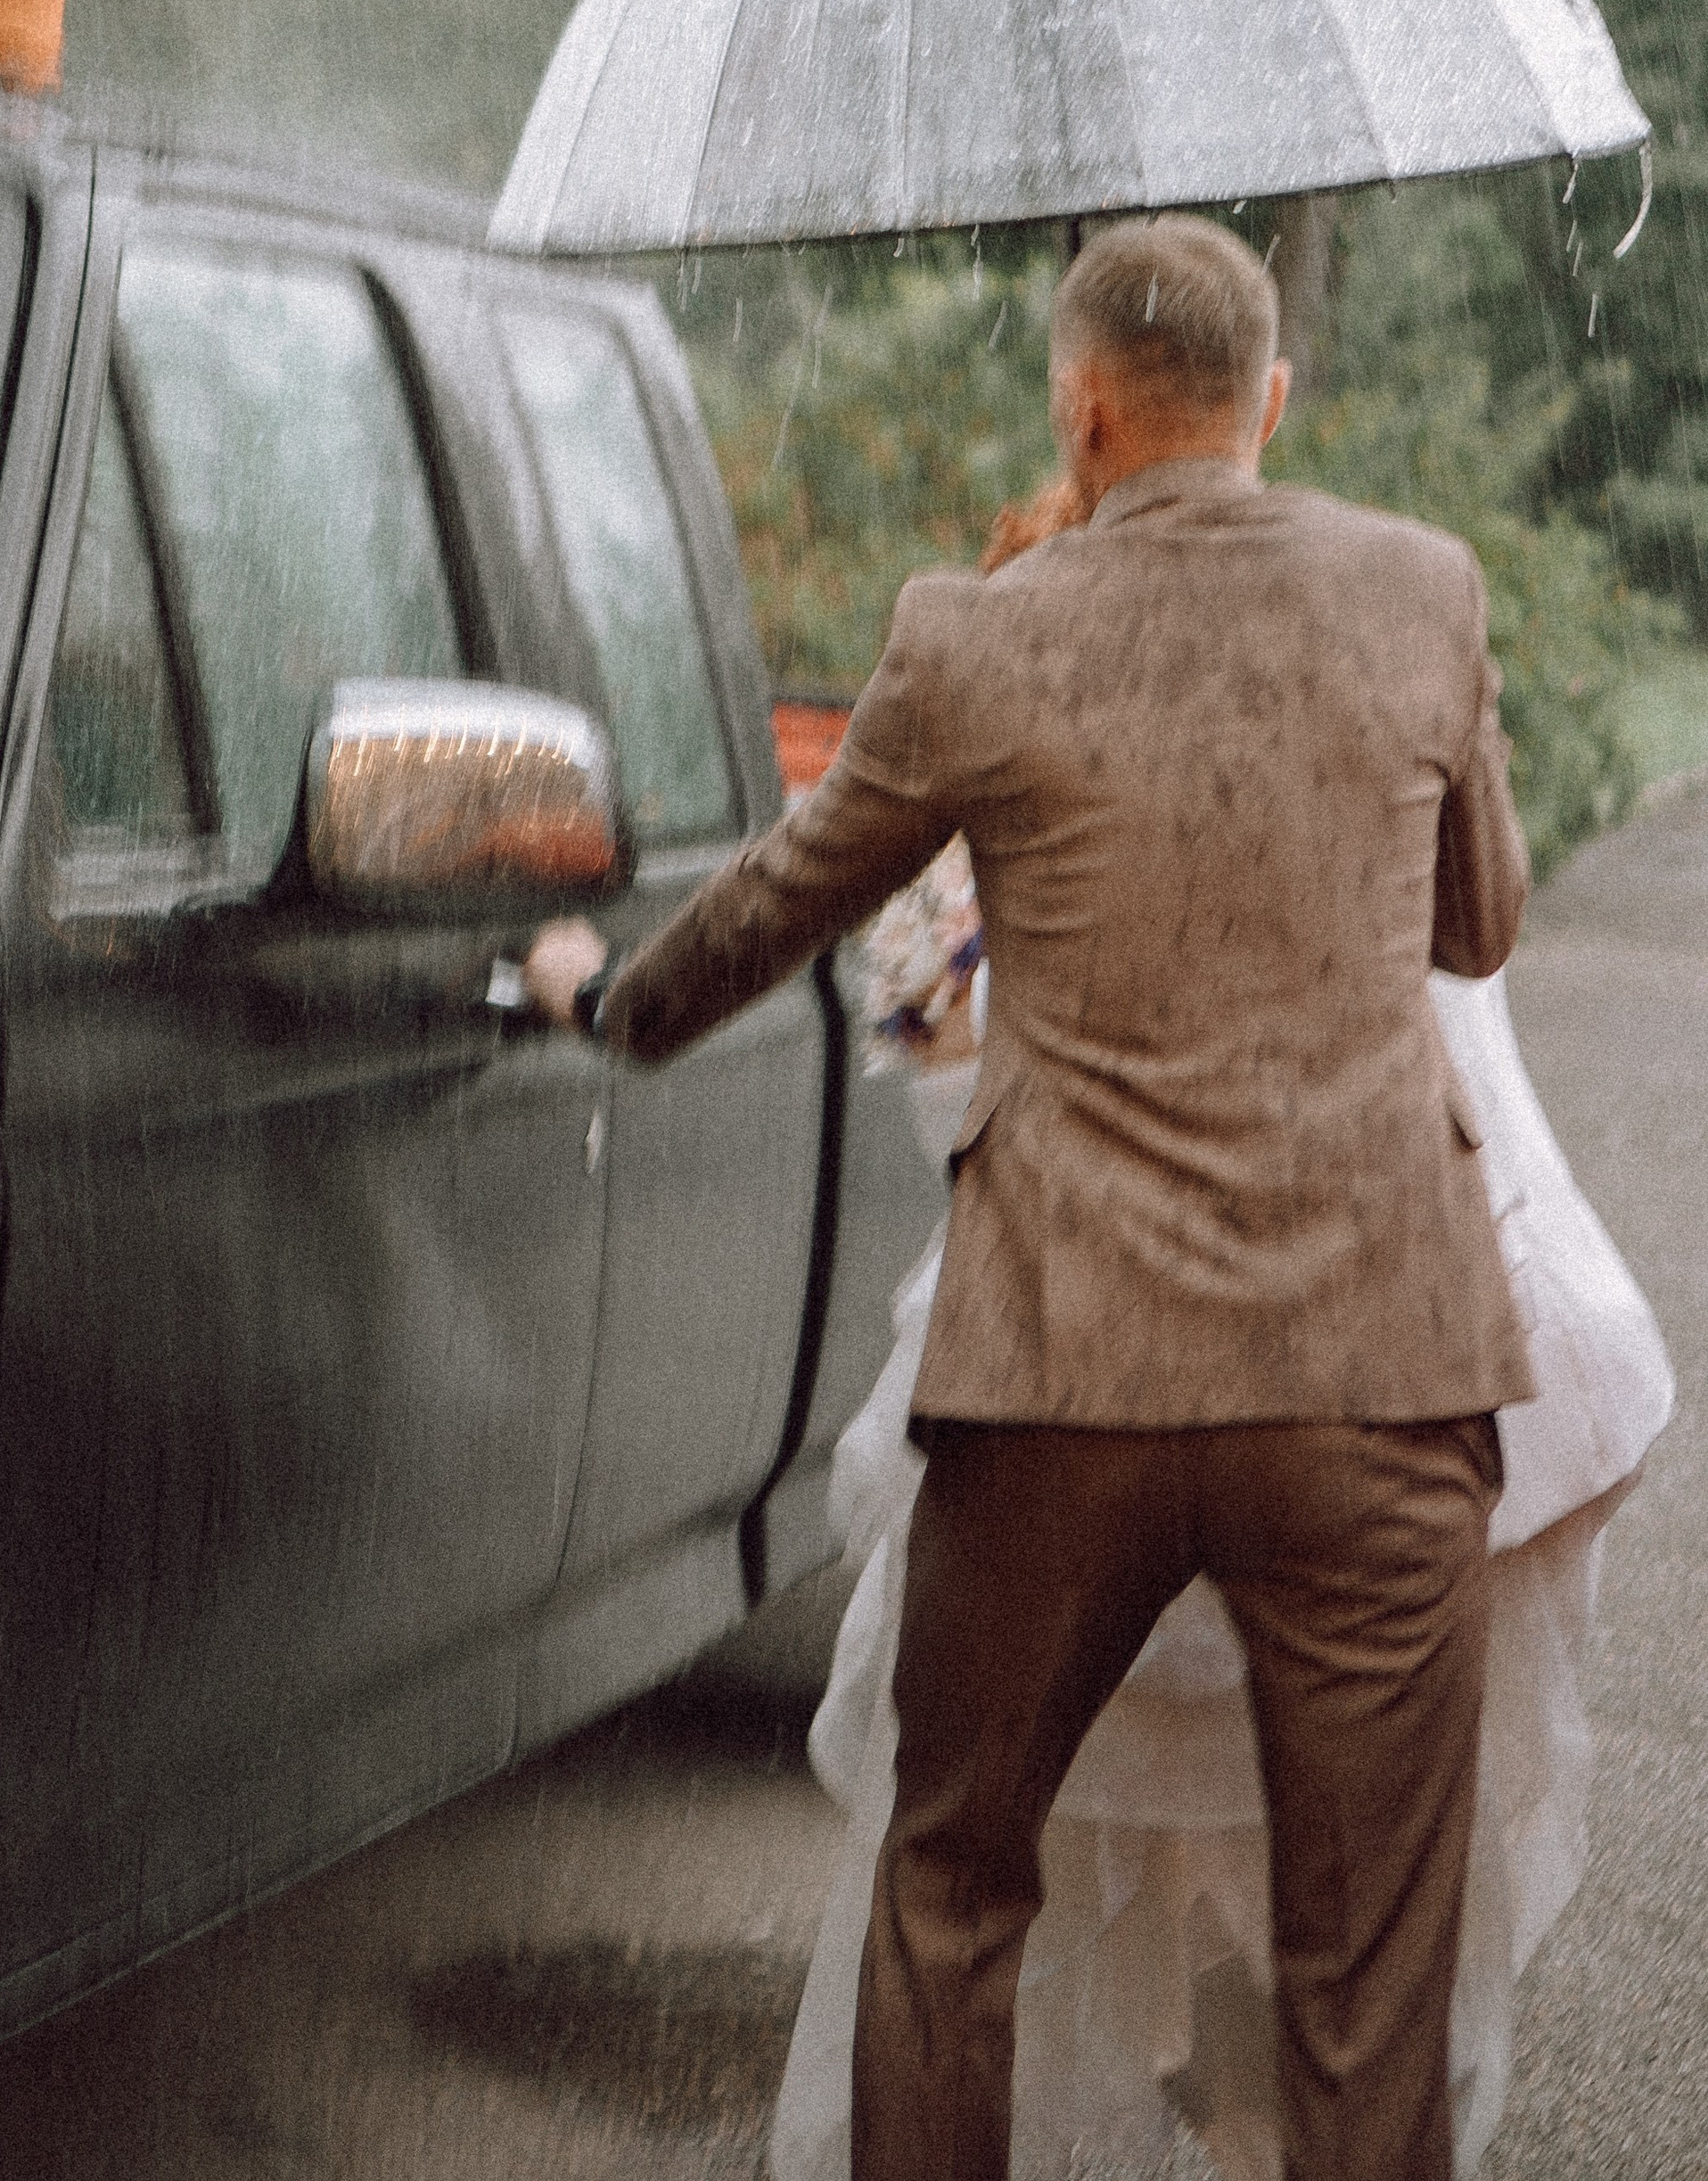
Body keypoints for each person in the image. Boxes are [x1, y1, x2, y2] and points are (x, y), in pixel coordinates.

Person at [525, 211, 1532, 2181]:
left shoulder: (976, 632)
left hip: (1062, 1377)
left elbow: (777, 905)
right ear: (1267, 401)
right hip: (1370, 1374)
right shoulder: (1420, 589)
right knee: (1354, 1977)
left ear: (1077, 409)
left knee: (954, 1887)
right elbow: (1475, 923)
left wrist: (605, 1005)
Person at [762, 492, 1671, 2181]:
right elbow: (1488, 1031)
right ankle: (1263, 2137)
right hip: (1392, 1403)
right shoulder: (1372, 684)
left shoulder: (961, 799)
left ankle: (1180, 2120)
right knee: (1343, 1929)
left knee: (1031, 1893)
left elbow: (939, 1106)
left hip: (1075, 1400)